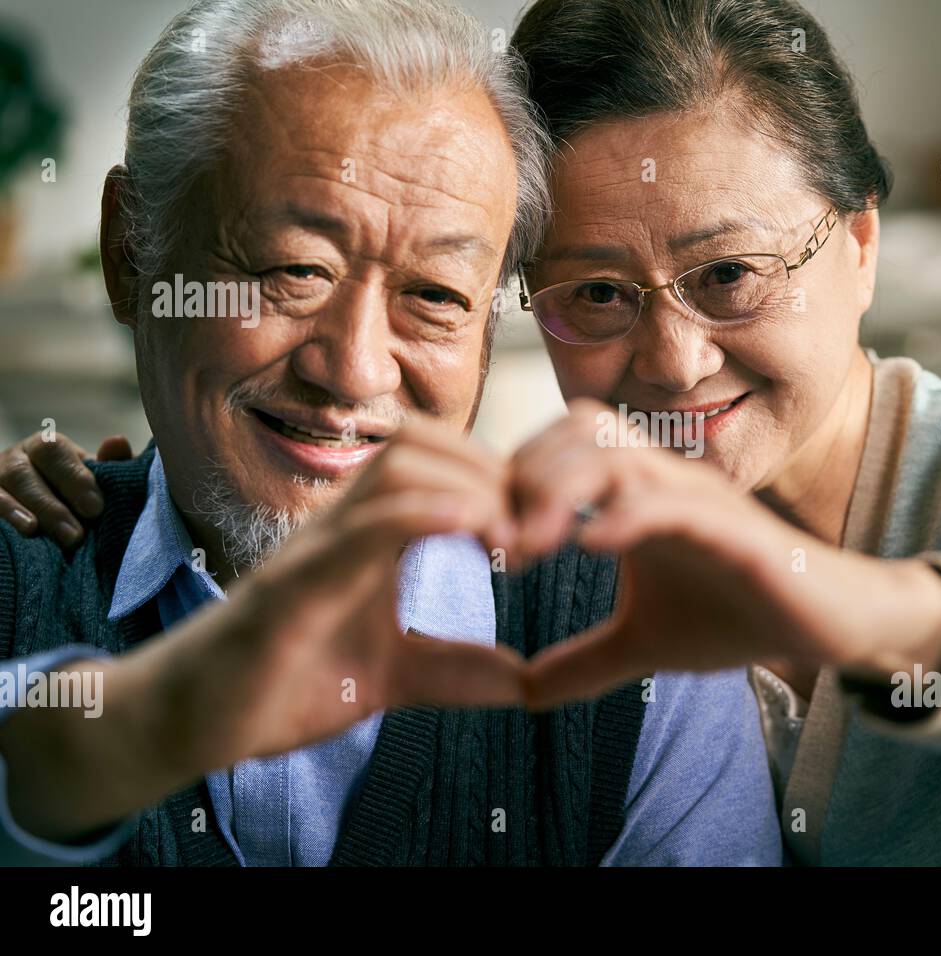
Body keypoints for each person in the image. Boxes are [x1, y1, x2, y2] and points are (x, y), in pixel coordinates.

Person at [7, 0, 941, 866]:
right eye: (597, 295)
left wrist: (830, 603)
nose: (671, 358)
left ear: (857, 244)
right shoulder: (572, 565)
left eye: (730, 274)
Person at [0, 0, 780, 867]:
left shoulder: (639, 634)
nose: (356, 371)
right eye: (295, 271)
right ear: (129, 254)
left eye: (437, 296)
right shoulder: (18, 561)